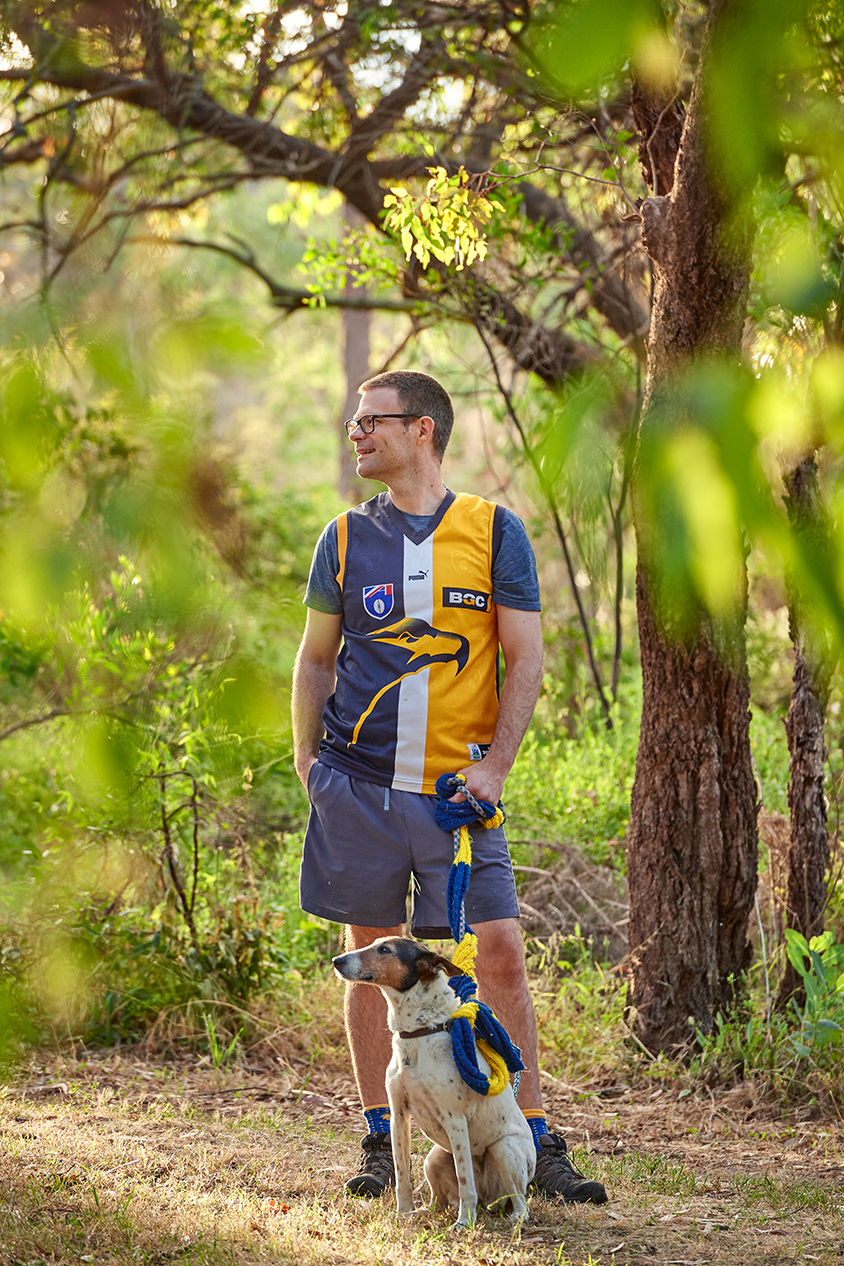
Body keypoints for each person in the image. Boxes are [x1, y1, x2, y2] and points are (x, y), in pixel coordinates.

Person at [291, 369, 607, 1205]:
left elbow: (526, 657)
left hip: (455, 798)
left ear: (421, 429)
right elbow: (316, 659)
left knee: (499, 949)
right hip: (359, 788)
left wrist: (495, 766)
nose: (356, 433)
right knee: (371, 957)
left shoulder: (495, 530)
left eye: (372, 421)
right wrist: (306, 763)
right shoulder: (345, 538)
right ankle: (377, 1136)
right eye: (354, 421)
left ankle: (533, 1135)